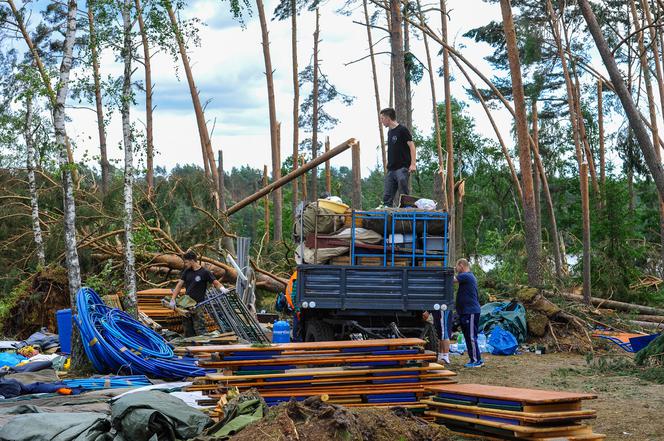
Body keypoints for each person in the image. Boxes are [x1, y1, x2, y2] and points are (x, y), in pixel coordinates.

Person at [170, 250, 228, 336]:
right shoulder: (187, 271)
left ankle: (201, 347)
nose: (185, 264)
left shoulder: (205, 272)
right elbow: (179, 285)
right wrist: (173, 299)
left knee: (200, 328)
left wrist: (222, 289)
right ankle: (190, 346)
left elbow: (215, 282)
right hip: (186, 303)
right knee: (187, 328)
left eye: (186, 262)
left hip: (198, 304)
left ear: (192, 260)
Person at [379, 108, 416, 207]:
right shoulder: (390, 132)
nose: (381, 121)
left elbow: (412, 146)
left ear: (388, 118)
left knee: (403, 193)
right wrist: (388, 161)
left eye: (382, 118)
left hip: (402, 167)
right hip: (391, 169)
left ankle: (405, 212)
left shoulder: (402, 130)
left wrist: (413, 164)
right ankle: (386, 213)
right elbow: (392, 148)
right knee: (387, 195)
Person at [454, 258, 483, 368]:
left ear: (461, 265)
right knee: (467, 337)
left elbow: (452, 280)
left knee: (471, 337)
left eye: (457, 266)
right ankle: (473, 359)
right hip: (466, 312)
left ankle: (477, 361)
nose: (456, 269)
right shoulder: (466, 277)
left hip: (471, 312)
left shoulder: (466, 275)